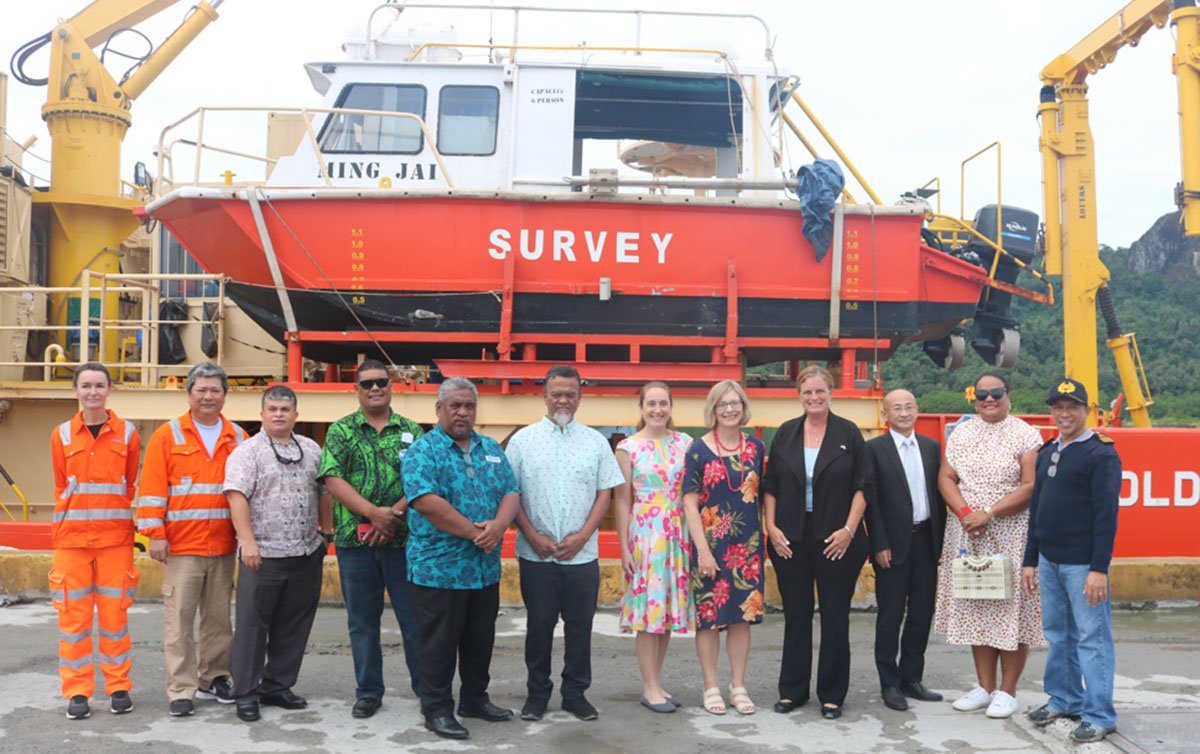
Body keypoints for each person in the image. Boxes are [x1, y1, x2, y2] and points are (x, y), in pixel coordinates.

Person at [401, 377, 521, 741]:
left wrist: (499, 526)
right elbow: (425, 501)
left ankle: (474, 699)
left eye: (469, 406)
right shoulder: (424, 450)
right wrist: (476, 532)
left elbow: (511, 491)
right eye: (455, 405)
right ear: (439, 409)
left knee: (479, 640)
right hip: (439, 570)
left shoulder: (490, 448)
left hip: (483, 570)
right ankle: (436, 709)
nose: (463, 412)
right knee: (438, 644)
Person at [507, 365, 625, 722]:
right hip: (535, 553)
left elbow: (605, 492)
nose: (563, 399)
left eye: (570, 394)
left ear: (579, 398)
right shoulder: (522, 440)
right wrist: (531, 534)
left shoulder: (594, 442)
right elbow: (510, 493)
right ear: (544, 395)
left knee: (580, 627)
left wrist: (584, 535)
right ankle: (537, 694)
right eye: (556, 393)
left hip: (582, 554)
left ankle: (575, 693)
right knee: (539, 625)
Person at [136, 362, 246, 717]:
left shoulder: (239, 437)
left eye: (215, 390)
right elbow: (152, 489)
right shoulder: (167, 435)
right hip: (181, 547)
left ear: (225, 396)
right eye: (202, 390)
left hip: (224, 546)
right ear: (189, 394)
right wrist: (155, 534)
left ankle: (213, 676)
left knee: (218, 621)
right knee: (179, 622)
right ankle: (181, 689)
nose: (209, 396)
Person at [933, 372, 1044, 720]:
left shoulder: (1026, 434)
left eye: (996, 393)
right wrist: (966, 513)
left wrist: (989, 513)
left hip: (1009, 534)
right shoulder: (962, 431)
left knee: (1011, 612)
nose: (989, 399)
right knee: (977, 608)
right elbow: (946, 477)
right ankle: (984, 686)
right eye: (981, 394)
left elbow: (1029, 486)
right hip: (967, 534)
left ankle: (1007, 691)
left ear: (1008, 396)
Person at [317, 359, 423, 719]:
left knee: (414, 620)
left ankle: (427, 690)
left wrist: (391, 516)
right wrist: (373, 514)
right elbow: (332, 478)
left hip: (404, 543)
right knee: (362, 623)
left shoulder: (411, 431)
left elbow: (421, 480)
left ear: (392, 386)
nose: (375, 388)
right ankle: (368, 691)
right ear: (356, 390)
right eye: (367, 384)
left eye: (381, 382)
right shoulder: (342, 431)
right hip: (355, 544)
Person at [763, 365, 869, 720]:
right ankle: (792, 690)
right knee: (796, 614)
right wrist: (772, 527)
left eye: (820, 391)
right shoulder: (786, 433)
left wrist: (849, 530)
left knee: (835, 615)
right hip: (790, 537)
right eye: (807, 392)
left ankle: (832, 694)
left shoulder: (848, 433)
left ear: (831, 392)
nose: (814, 397)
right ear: (799, 395)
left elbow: (863, 486)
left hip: (836, 538)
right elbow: (771, 484)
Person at [224, 385, 333, 723]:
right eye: (272, 409)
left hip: (305, 552)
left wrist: (325, 532)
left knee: (294, 625)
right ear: (262, 414)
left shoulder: (312, 449)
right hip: (264, 555)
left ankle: (278, 685)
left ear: (296, 415)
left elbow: (325, 488)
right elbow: (236, 496)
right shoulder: (247, 452)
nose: (278, 414)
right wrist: (248, 542)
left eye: (285, 409)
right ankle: (245, 692)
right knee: (252, 627)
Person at [1022, 379, 1122, 744]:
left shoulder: (1101, 454)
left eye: (1072, 407)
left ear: (1086, 411)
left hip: (1083, 565)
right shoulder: (1049, 450)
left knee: (1092, 638)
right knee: (1058, 635)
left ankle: (1099, 715)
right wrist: (1031, 559)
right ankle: (1064, 699)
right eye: (1058, 407)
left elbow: (1106, 516)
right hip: (1049, 561)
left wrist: (1099, 569)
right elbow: (1037, 511)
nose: (1064, 414)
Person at [49, 363, 141, 720]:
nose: (92, 392)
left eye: (99, 385)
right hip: (71, 540)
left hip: (115, 539)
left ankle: (118, 686)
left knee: (115, 617)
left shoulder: (128, 434)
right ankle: (77, 692)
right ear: (75, 390)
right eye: (85, 385)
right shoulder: (61, 435)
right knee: (73, 621)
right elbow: (61, 485)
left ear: (110, 389)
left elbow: (128, 483)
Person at [682, 380, 765, 716]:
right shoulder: (698, 450)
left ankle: (739, 685)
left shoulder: (756, 447)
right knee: (709, 619)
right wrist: (701, 549)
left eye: (735, 403)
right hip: (710, 546)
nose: (730, 409)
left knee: (742, 617)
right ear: (713, 409)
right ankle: (711, 685)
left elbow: (762, 497)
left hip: (747, 546)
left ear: (743, 407)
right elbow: (689, 503)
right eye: (722, 404)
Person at [614, 381, 694, 713]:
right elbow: (621, 501)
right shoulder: (628, 448)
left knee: (666, 613)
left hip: (677, 532)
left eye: (663, 403)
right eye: (651, 403)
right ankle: (648, 687)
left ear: (671, 406)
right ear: (641, 407)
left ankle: (657, 682)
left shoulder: (686, 444)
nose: (657, 409)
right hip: (645, 535)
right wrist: (623, 547)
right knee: (648, 614)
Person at [864, 389, 946, 711]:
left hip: (927, 540)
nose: (903, 412)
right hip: (892, 545)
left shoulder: (932, 448)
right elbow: (871, 502)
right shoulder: (873, 450)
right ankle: (890, 682)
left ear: (917, 409)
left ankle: (912, 678)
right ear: (885, 414)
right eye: (896, 408)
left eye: (909, 406)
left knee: (922, 613)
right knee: (891, 615)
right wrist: (879, 543)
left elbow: (939, 497)